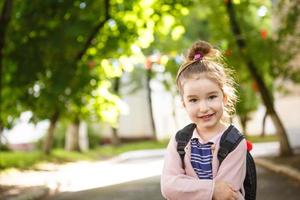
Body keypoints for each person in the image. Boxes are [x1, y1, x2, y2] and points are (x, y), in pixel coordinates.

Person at [160, 40, 247, 200]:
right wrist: (213, 189)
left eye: (212, 97)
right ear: (184, 104)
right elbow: (168, 186)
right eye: (193, 100)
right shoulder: (180, 141)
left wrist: (186, 187)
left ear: (225, 98)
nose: (203, 108)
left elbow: (226, 193)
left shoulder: (235, 142)